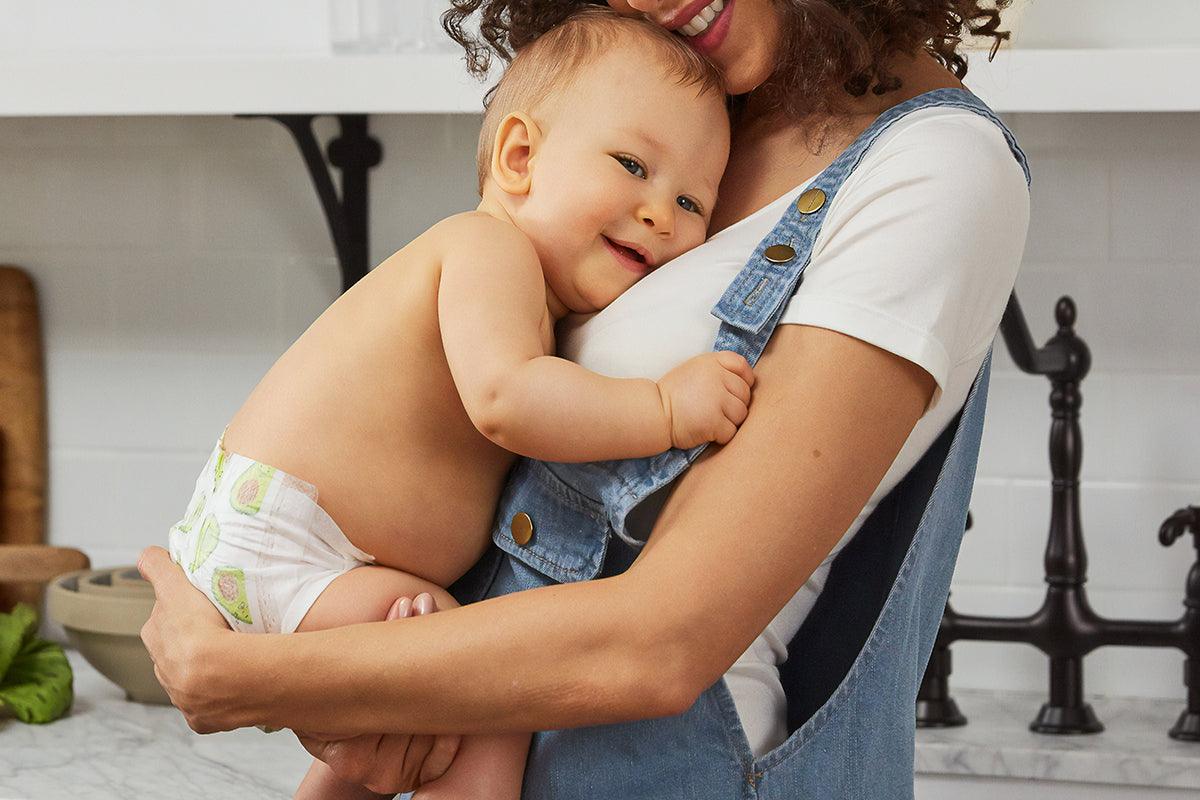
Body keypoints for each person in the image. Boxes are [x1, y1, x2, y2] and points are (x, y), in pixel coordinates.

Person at [137, 0, 1031, 797]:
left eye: (687, 200)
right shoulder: (668, 111)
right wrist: (362, 681)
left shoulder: (936, 170)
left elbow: (663, 643)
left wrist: (261, 676)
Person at [160, 10, 745, 799]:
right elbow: (508, 400)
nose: (660, 213)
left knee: (408, 713)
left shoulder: (533, 290)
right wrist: (665, 409)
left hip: (292, 539)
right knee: (487, 680)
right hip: (288, 540)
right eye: (633, 164)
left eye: (692, 203)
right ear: (520, 155)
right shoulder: (486, 250)